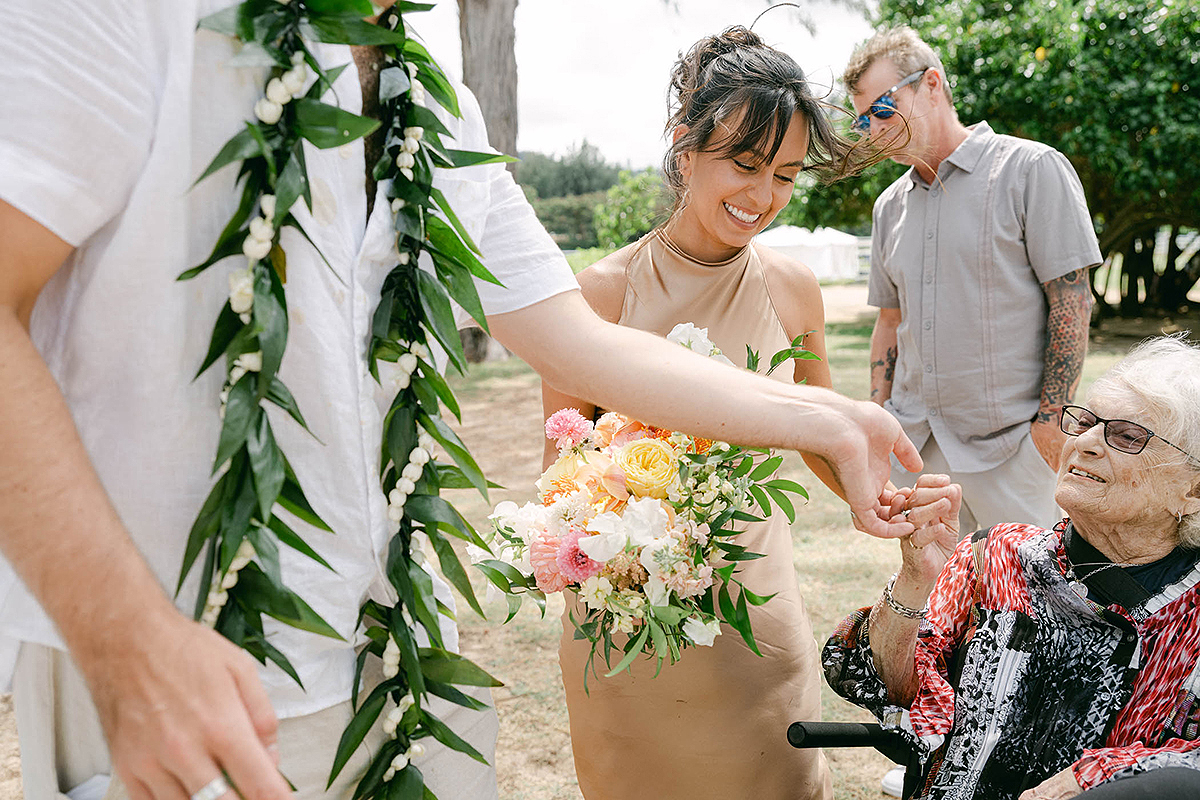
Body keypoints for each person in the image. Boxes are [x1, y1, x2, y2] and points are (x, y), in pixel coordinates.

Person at [0, 4, 922, 800]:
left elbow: (581, 344)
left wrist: (833, 420)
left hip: (399, 673)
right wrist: (125, 641)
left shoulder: (439, 104)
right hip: (183, 665)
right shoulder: (133, 14)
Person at [541, 27, 893, 800]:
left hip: (754, 626)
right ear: (684, 147)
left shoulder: (793, 288)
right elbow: (559, 471)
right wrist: (618, 550)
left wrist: (879, 498)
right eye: (745, 163)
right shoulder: (599, 295)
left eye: (786, 175)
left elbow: (818, 435)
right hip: (627, 631)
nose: (762, 196)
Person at [824, 335, 1200, 800]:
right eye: (1084, 422)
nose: (1084, 442)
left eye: (1125, 436)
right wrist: (916, 582)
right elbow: (892, 688)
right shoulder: (997, 556)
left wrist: (1102, 774)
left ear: (1193, 490)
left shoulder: (1192, 609)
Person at [844, 26, 1100, 537]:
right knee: (943, 609)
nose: (873, 128)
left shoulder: (1032, 169)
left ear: (931, 84)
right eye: (863, 118)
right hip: (922, 453)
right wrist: (878, 418)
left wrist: (1050, 423)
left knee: (1030, 611)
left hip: (1015, 451)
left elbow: (1071, 300)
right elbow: (890, 321)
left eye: (883, 107)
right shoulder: (888, 207)